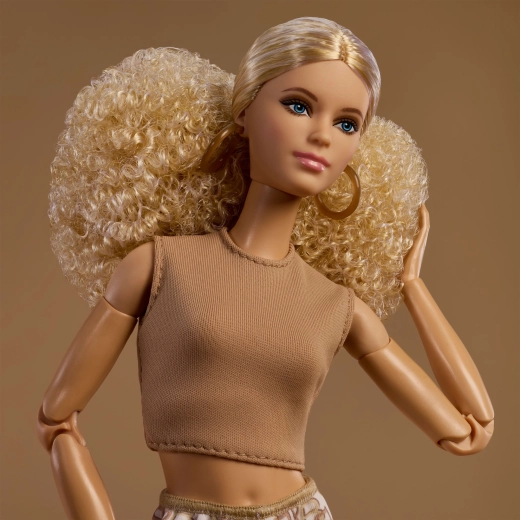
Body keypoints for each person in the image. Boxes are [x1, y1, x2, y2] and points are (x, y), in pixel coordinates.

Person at [36, 17, 494, 520]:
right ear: (245, 110)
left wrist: (411, 285)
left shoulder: (335, 305)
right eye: (298, 105)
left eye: (347, 124)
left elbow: (470, 431)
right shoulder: (158, 266)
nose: (321, 136)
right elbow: (56, 421)